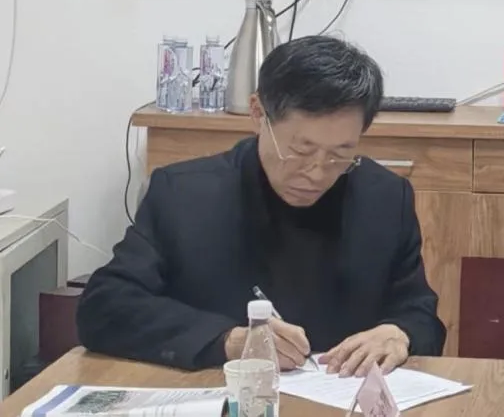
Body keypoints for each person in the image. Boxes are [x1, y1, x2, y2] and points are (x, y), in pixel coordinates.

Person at [78, 35, 445, 374]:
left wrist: (399, 333)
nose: (318, 172)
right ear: (258, 113)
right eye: (301, 149)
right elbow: (105, 306)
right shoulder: (184, 195)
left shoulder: (385, 199)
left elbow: (420, 314)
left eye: (341, 153)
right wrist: (229, 341)